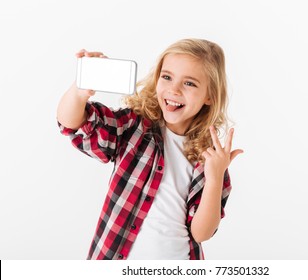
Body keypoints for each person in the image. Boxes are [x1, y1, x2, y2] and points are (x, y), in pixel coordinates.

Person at [57, 38, 243, 260]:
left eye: (189, 83)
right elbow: (72, 124)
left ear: (210, 96)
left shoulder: (210, 158)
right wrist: (80, 89)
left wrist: (215, 177)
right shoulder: (134, 127)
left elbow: (201, 233)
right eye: (167, 77)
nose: (173, 89)